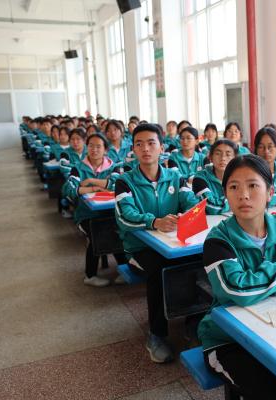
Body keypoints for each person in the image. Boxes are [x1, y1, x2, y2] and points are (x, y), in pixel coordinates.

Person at [198, 154, 276, 399]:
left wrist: (259, 287)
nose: (243, 195)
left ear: (270, 192)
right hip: (227, 339)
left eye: (253, 185)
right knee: (268, 393)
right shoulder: (218, 240)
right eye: (234, 187)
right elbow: (237, 291)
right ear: (225, 194)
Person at [115, 123, 200, 363]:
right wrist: (155, 222)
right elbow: (125, 217)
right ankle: (157, 334)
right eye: (139, 144)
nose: (146, 149)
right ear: (133, 149)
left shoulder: (175, 176)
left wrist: (186, 215)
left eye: (151, 143)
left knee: (198, 263)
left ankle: (193, 322)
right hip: (138, 248)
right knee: (160, 272)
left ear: (162, 148)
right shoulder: (125, 181)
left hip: (173, 244)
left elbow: (192, 203)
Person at [63, 132, 126, 287]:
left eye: (98, 146)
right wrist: (96, 188)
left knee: (117, 230)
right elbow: (69, 189)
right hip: (86, 214)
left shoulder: (114, 166)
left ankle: (125, 270)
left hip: (112, 213)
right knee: (97, 232)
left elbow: (116, 185)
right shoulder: (78, 168)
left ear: (105, 149)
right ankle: (90, 275)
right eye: (91, 146)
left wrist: (90, 182)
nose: (94, 149)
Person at [192, 139, 238, 214]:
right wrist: (234, 201)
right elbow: (211, 207)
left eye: (228, 155)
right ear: (210, 157)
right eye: (218, 154)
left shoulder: (241, 177)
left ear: (235, 159)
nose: (223, 158)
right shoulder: (200, 178)